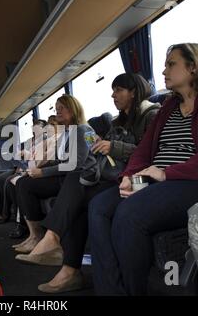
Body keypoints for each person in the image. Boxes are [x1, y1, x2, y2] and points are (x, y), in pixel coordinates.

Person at [88, 43, 198, 295]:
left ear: (194, 66)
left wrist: (167, 173)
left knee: (131, 213)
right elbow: (143, 151)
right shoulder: (168, 108)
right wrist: (129, 176)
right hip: (155, 178)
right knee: (99, 207)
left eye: (171, 64)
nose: (164, 71)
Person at [16, 74, 159, 293]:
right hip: (111, 175)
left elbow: (151, 152)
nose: (113, 94)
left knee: (77, 180)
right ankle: (64, 264)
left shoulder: (152, 116)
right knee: (75, 190)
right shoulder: (117, 122)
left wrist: (114, 147)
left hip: (133, 178)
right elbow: (94, 154)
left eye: (118, 89)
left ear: (133, 91)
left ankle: (55, 247)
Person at [13, 95, 96, 256]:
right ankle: (33, 235)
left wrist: (42, 172)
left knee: (26, 185)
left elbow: (76, 163)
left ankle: (37, 237)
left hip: (76, 179)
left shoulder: (84, 130)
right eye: (56, 108)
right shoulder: (66, 133)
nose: (57, 111)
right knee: (23, 182)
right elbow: (61, 160)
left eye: (62, 108)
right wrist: (44, 165)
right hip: (63, 176)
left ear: (73, 110)